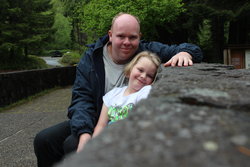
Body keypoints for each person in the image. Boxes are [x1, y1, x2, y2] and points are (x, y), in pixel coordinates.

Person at [33, 12, 203, 167]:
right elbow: (81, 99)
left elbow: (192, 48)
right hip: (93, 116)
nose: (127, 43)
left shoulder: (146, 50)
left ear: (139, 37)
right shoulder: (91, 58)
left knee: (72, 144)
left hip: (121, 121)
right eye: (121, 36)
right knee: (44, 140)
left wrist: (185, 53)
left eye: (132, 37)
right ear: (110, 35)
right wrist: (85, 132)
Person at [81, 51, 161, 149]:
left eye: (149, 76)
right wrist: (92, 147)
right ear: (131, 69)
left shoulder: (145, 92)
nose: (143, 76)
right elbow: (101, 125)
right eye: (140, 70)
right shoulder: (113, 94)